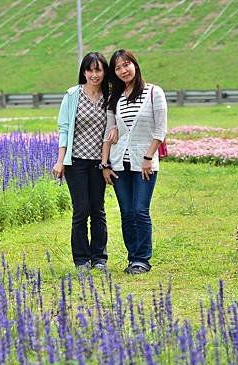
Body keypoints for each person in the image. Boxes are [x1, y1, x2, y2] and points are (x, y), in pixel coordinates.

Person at [101, 49, 167, 275]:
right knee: (127, 212)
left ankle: (142, 259)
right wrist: (105, 164)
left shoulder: (153, 92)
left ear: (135, 65)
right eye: (118, 68)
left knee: (140, 211)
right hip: (119, 163)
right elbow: (110, 132)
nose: (123, 70)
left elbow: (160, 130)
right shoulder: (114, 98)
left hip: (144, 163)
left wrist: (148, 157)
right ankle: (132, 258)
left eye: (126, 64)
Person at [52, 52, 110, 270]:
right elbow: (64, 129)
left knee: (98, 209)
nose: (94, 74)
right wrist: (60, 161)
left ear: (105, 71)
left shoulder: (110, 96)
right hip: (75, 162)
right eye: (90, 70)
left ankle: (99, 258)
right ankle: (81, 259)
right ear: (84, 72)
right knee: (81, 209)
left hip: (99, 162)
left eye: (98, 70)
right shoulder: (72, 95)